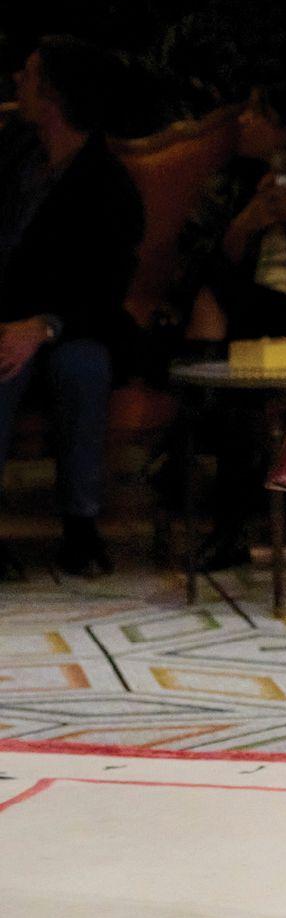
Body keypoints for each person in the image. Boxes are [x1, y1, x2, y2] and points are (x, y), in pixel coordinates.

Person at [166, 79, 286, 571]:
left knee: (224, 333)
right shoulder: (229, 182)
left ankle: (204, 486)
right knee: (214, 310)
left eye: (259, 114)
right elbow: (191, 266)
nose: (243, 121)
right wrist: (241, 228)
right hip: (242, 314)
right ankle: (224, 513)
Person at [0, 36, 144, 577]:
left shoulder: (107, 183)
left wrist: (44, 325)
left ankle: (80, 529)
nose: (17, 81)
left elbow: (106, 291)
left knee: (84, 366)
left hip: (72, 327)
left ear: (54, 95)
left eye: (29, 74)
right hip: (4, 320)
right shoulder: (13, 158)